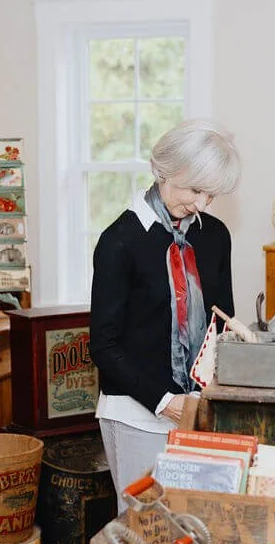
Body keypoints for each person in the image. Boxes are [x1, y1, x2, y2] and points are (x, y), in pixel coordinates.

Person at [90, 118, 241, 510]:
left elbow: (220, 322)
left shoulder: (214, 236)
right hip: (136, 414)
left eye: (211, 195)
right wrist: (164, 402)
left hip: (198, 407)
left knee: (200, 523)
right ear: (165, 173)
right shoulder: (119, 242)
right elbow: (104, 347)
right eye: (195, 190)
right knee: (147, 532)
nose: (201, 205)